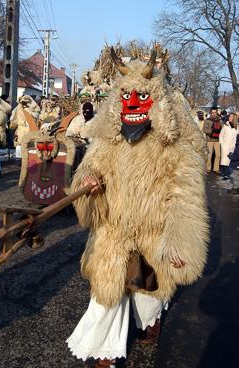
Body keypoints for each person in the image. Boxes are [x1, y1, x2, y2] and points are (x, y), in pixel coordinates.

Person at [66, 46, 209, 368]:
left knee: (149, 291)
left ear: (157, 102)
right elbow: (90, 171)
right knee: (106, 290)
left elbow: (186, 197)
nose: (132, 103)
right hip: (113, 230)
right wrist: (89, 183)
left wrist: (180, 240)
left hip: (154, 230)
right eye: (126, 95)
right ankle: (105, 351)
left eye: (142, 97)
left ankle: (150, 321)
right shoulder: (107, 140)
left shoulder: (176, 147)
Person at [203, 107, 223, 173]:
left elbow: (223, 130)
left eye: (215, 112)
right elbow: (204, 130)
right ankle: (208, 168)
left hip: (217, 140)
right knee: (209, 155)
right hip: (209, 140)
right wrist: (211, 131)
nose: (214, 113)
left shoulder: (220, 120)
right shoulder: (207, 120)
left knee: (218, 155)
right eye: (212, 112)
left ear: (217, 112)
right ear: (211, 112)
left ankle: (216, 169)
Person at [219, 113, 238, 180]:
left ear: (234, 118)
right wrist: (222, 143)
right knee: (224, 160)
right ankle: (224, 173)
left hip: (232, 146)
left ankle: (225, 173)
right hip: (225, 145)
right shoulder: (225, 125)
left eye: (231, 116)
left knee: (229, 160)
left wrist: (235, 145)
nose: (230, 117)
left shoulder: (237, 127)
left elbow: (237, 137)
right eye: (229, 116)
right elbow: (221, 135)